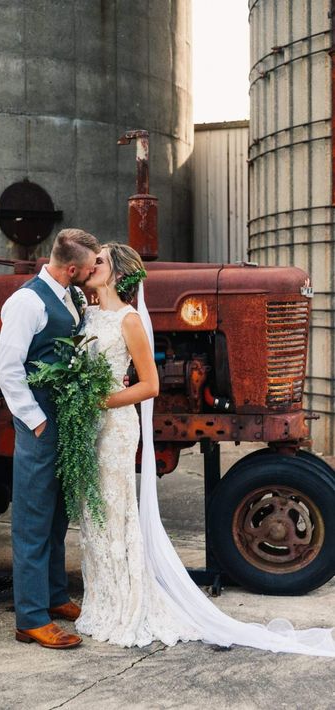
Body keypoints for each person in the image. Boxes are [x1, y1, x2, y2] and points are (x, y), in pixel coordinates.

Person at [75, 242, 335, 656]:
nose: (91, 265)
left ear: (117, 273)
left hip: (113, 424)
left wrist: (98, 400)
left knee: (115, 508)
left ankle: (126, 605)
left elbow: (150, 386)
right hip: (89, 425)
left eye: (100, 261)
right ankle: (102, 599)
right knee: (94, 513)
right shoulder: (86, 313)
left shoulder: (127, 320)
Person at [0, 228, 100, 649]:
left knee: (57, 515)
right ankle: (31, 619)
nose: (94, 273)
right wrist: (36, 421)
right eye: (91, 267)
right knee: (33, 521)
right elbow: (8, 368)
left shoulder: (71, 296)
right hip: (39, 421)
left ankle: (55, 596)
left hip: (66, 418)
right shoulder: (26, 301)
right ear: (72, 268)